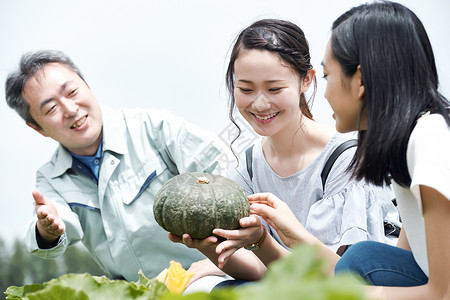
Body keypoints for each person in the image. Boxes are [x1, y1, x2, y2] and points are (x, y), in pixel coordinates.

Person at [169, 18, 400, 284]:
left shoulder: (346, 161)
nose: (260, 103)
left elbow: (344, 280)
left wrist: (263, 240)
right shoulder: (248, 167)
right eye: (245, 89)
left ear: (306, 81)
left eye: (274, 88)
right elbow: (262, 271)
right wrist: (209, 246)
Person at [4, 50, 232, 286]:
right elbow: (54, 228)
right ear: (37, 128)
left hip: (204, 276)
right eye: (51, 108)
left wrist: (221, 258)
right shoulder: (51, 179)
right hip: (135, 290)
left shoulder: (153, 128)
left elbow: (227, 172)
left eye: (72, 92)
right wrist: (47, 230)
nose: (70, 109)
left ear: (87, 85)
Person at [323, 2, 449, 299]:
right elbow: (418, 243)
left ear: (361, 80)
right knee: (362, 258)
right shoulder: (408, 136)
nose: (325, 90)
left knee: (356, 263)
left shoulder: (429, 139)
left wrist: (350, 295)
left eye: (326, 75)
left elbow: (443, 293)